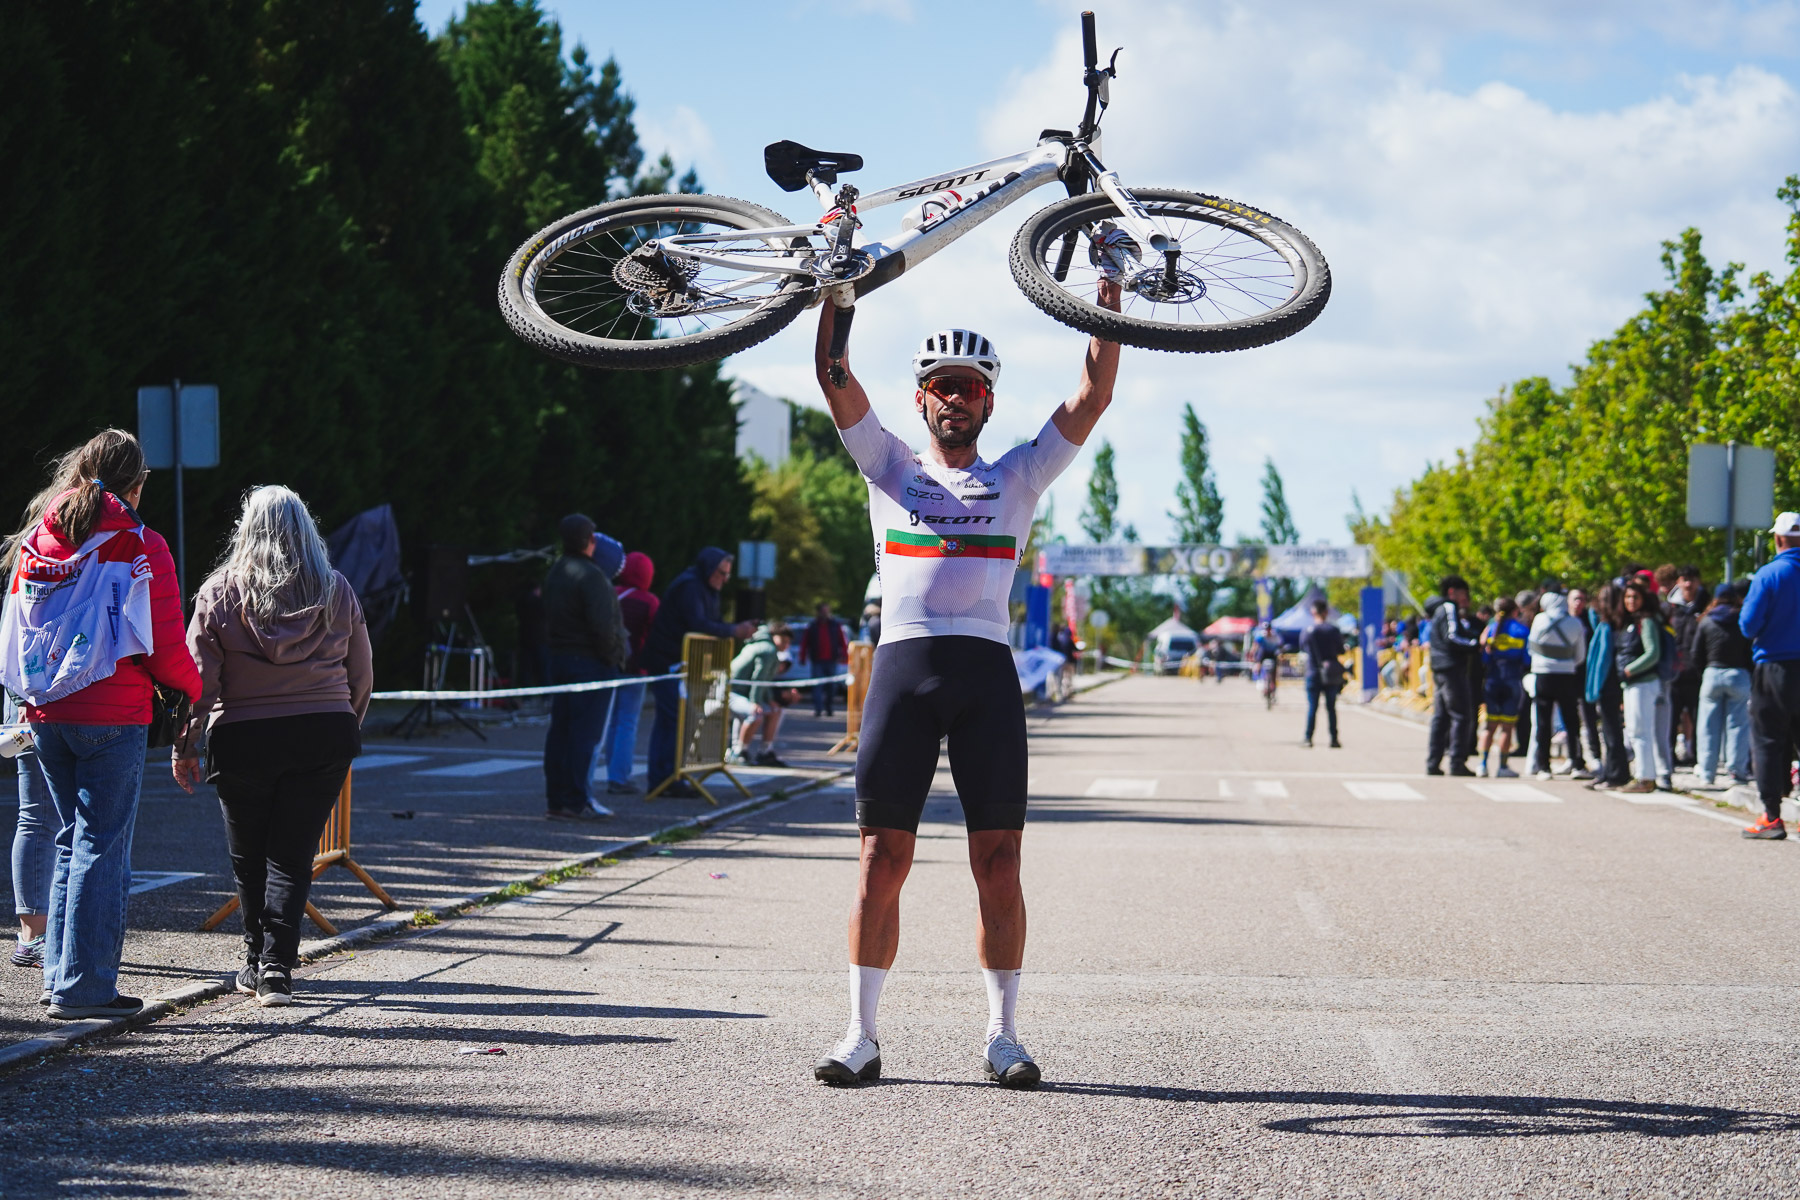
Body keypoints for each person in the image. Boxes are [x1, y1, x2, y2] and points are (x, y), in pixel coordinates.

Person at [808, 281, 1122, 1090]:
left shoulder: (1020, 474)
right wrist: (838, 294)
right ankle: (860, 1036)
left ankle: (1003, 1036)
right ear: (921, 400)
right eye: (942, 387)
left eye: (971, 388)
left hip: (985, 671)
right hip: (904, 668)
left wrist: (1108, 297)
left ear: (988, 402)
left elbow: (1092, 395)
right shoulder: (887, 467)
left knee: (1000, 860)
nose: (956, 398)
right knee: (881, 859)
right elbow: (834, 373)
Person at [0, 430, 201, 1020]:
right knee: (100, 846)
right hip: (112, 713)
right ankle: (86, 988)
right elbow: (164, 645)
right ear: (136, 484)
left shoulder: (41, 537)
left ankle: (59, 977)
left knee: (70, 842)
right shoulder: (139, 543)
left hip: (44, 712)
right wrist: (194, 689)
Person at [172, 486, 372, 1007]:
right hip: (323, 732)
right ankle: (276, 970)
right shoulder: (336, 590)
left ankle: (254, 961)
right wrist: (346, 723)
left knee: (250, 857)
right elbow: (361, 674)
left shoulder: (219, 592)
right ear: (306, 530)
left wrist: (186, 743)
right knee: (293, 852)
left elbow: (199, 682)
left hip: (244, 736)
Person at [642, 548, 756, 800]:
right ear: (709, 568)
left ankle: (670, 776)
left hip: (680, 664)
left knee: (676, 720)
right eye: (722, 573)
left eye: (728, 574)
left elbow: (709, 622)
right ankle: (664, 778)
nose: (725, 579)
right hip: (669, 663)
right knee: (672, 720)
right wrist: (734, 630)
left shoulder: (705, 588)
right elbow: (698, 624)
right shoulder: (690, 586)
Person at [541, 517, 627, 820]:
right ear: (589, 540)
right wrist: (613, 657)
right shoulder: (592, 577)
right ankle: (575, 799)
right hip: (590, 663)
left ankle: (556, 798)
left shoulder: (556, 572)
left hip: (561, 658)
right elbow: (603, 626)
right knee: (584, 735)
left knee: (561, 730)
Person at [1738, 513, 1800, 839]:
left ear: (1778, 540)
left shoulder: (1769, 574)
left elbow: (1748, 624)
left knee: (1768, 741)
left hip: (1774, 667)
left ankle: (1772, 818)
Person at [601, 551, 658, 796]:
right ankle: (619, 776)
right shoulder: (650, 601)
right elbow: (655, 635)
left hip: (608, 664)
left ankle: (608, 773)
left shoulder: (610, 593)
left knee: (609, 722)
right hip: (636, 668)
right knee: (627, 722)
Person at [6, 691, 53, 974]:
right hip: (33, 705)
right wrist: (24, 699)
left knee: (46, 820)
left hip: (45, 703)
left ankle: (43, 935)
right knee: (40, 818)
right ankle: (32, 938)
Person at [1692, 581, 1752, 790]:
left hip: (1712, 673)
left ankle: (1707, 772)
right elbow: (1749, 651)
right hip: (1739, 673)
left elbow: (1696, 654)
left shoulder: (1706, 621)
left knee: (1708, 726)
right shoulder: (1742, 619)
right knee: (1738, 725)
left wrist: (1705, 672)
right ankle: (1736, 772)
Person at [1614, 578, 1670, 795]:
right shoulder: (1631, 622)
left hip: (1644, 683)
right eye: (1627, 597)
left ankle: (1645, 777)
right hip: (1632, 684)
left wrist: (1630, 670)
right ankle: (1644, 775)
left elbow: (1653, 653)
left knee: (1641, 730)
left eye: (1635, 597)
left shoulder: (1647, 621)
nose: (1630, 601)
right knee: (1635, 730)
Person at [1528, 588, 1591, 780]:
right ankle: (1577, 763)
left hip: (1543, 674)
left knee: (1543, 722)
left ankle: (1543, 766)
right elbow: (1580, 654)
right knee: (1571, 721)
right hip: (1567, 675)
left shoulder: (1539, 620)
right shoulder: (1575, 623)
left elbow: (1531, 648)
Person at [1425, 575, 1480, 776]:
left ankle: (1433, 762)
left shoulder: (1437, 610)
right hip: (1451, 667)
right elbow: (1453, 636)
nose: (1465, 598)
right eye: (1463, 593)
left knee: (1441, 717)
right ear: (1452, 592)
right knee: (1461, 715)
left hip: (1439, 667)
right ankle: (1457, 762)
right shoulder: (1449, 608)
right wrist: (1475, 644)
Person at [1583, 583, 1631, 791]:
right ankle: (1610, 772)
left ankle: (1615, 773)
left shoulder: (1608, 627)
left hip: (1607, 683)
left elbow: (1602, 661)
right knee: (1610, 731)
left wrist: (1595, 687)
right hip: (1611, 683)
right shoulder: (1612, 624)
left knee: (1611, 732)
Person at [1477, 596, 1528, 777]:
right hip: (1512, 681)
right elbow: (1527, 658)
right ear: (1515, 611)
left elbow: (1483, 657)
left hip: (1492, 681)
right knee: (1507, 727)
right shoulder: (1521, 630)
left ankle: (1482, 765)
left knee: (1489, 726)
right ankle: (1502, 767)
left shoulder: (1490, 630)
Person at [730, 622, 793, 766]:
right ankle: (739, 752)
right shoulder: (768, 650)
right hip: (731, 692)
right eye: (783, 640)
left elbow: (764, 681)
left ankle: (765, 751)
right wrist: (755, 702)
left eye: (788, 642)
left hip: (742, 692)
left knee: (775, 710)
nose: (786, 645)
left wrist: (769, 700)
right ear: (774, 636)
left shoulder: (765, 646)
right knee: (755, 714)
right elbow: (757, 679)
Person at [1567, 587, 1605, 768]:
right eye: (1575, 598)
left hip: (1586, 675)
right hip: (1566, 675)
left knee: (1589, 716)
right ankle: (1574, 758)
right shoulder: (1563, 621)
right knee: (1570, 718)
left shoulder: (1590, 620)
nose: (1578, 602)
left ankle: (1595, 756)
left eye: (1582, 598)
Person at [1299, 599, 1344, 749]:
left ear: (1313, 612)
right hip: (1330, 672)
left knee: (1313, 707)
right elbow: (1341, 649)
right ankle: (1334, 738)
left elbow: (1303, 648)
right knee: (1331, 708)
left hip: (1313, 671)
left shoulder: (1307, 630)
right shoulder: (1333, 630)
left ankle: (1308, 738)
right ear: (1326, 612)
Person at [799, 602, 848, 718]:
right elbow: (805, 643)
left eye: (827, 611)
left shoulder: (836, 625)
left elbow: (842, 641)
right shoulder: (812, 626)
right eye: (823, 611)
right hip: (817, 660)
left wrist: (845, 655)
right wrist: (803, 657)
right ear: (819, 612)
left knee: (831, 687)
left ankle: (829, 708)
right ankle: (818, 709)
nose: (825, 613)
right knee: (817, 686)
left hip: (831, 660)